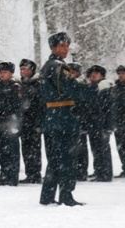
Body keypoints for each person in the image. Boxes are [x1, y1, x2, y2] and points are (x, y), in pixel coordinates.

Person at [39, 32, 96, 206]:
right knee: (67, 158)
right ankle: (66, 195)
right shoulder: (59, 66)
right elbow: (70, 89)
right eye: (62, 46)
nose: (66, 49)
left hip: (53, 116)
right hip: (64, 117)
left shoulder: (47, 66)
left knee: (55, 159)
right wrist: (92, 88)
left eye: (67, 45)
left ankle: (47, 196)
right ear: (54, 47)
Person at [0, 61, 22, 186]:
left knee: (12, 151)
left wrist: (15, 123)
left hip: (10, 122)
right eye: (0, 72)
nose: (2, 74)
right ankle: (4, 173)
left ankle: (13, 177)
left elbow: (19, 107)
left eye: (5, 72)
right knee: (1, 150)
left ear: (11, 73)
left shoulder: (15, 86)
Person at [82, 65, 113, 182]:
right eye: (91, 74)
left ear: (102, 76)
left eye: (96, 73)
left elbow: (109, 108)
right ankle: (99, 171)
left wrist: (108, 126)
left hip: (102, 123)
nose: (93, 76)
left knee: (103, 149)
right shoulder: (90, 88)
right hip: (92, 123)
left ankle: (105, 173)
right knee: (95, 148)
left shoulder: (105, 88)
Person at [18, 59, 44, 184]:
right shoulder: (21, 84)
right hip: (23, 122)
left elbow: (40, 105)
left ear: (32, 70)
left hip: (33, 122)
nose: (23, 71)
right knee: (26, 149)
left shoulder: (37, 84)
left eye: (26, 69)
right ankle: (30, 173)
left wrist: (38, 123)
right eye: (21, 69)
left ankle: (36, 174)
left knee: (35, 149)